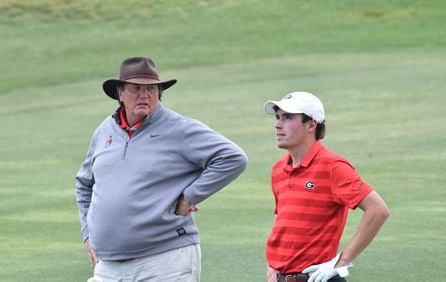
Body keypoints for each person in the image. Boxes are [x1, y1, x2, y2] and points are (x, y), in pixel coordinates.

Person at [76, 56, 248, 282]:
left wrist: (189, 197)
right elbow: (84, 184)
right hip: (108, 264)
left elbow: (232, 158)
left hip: (165, 259)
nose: (144, 95)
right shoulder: (105, 131)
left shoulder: (178, 128)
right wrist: (88, 234)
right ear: (120, 92)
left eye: (151, 89)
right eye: (135, 88)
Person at [263, 91, 390, 282]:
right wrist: (271, 264)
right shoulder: (279, 169)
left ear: (311, 124)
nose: (278, 124)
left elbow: (378, 210)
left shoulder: (333, 166)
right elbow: (281, 218)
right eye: (278, 117)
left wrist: (342, 261)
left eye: (288, 118)